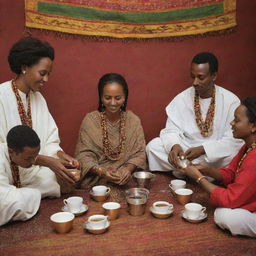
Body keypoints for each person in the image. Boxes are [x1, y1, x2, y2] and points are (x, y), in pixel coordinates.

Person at [0, 37, 79, 194]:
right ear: (24, 68)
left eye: (48, 74)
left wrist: (60, 155)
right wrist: (45, 161)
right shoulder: (2, 96)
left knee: (65, 178)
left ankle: (26, 197)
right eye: (42, 73)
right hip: (5, 174)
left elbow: (49, 140)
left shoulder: (38, 99)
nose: (46, 79)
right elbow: (3, 150)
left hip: (33, 174)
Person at [146, 52, 243, 178]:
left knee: (234, 155)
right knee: (153, 147)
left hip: (215, 154)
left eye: (200, 77)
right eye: (193, 77)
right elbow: (171, 130)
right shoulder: (182, 98)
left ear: (214, 76)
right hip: (187, 150)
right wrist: (175, 146)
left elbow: (233, 140)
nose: (195, 82)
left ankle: (186, 170)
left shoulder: (231, 101)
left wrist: (203, 149)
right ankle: (201, 172)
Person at [183, 97, 256, 237]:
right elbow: (230, 174)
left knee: (224, 216)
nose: (231, 123)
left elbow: (230, 199)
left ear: (253, 126)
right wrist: (203, 169)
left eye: (237, 120)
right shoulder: (248, 147)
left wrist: (199, 178)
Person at [75, 73, 147, 188]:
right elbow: (83, 155)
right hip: (97, 179)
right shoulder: (90, 121)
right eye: (107, 98)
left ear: (125, 98)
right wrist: (102, 172)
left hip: (126, 178)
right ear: (101, 97)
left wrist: (128, 169)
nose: (113, 103)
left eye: (118, 98)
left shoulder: (133, 120)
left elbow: (140, 153)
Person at [0, 125, 58, 226]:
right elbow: (4, 202)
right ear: (11, 152)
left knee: (50, 180)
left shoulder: (15, 155)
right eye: (28, 159)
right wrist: (34, 194)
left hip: (15, 192)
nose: (33, 162)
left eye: (35, 156)